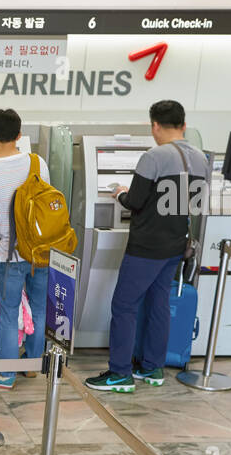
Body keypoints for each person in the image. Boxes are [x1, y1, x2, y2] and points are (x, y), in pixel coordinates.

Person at [87, 99, 210, 393]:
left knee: (124, 305)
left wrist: (119, 193)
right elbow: (195, 203)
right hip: (175, 244)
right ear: (183, 125)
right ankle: (152, 368)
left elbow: (135, 202)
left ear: (155, 125)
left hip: (146, 246)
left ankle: (119, 373)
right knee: (159, 304)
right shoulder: (202, 159)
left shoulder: (154, 156)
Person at [0, 108, 51, 388]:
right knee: (40, 308)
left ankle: (7, 374)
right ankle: (32, 365)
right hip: (41, 253)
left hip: (10, 253)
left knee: (9, 311)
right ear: (19, 135)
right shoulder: (37, 163)